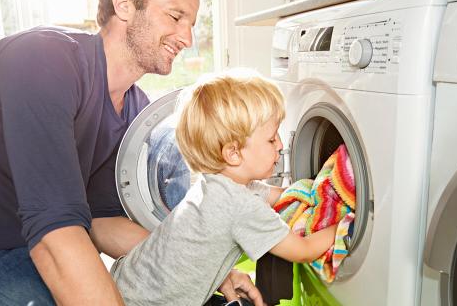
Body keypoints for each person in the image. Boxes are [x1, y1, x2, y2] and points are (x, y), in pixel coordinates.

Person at [0, 0, 259, 305]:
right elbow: (55, 235)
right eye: (175, 17)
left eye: (190, 23)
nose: (187, 38)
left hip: (32, 250)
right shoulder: (43, 61)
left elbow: (100, 222)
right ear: (124, 4)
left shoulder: (134, 108)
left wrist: (210, 272)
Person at [111, 70, 338, 305]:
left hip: (124, 281)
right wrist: (343, 224)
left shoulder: (218, 185)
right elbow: (302, 250)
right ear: (233, 153)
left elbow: (283, 195)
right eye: (271, 139)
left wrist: (322, 189)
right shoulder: (239, 205)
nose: (281, 145)